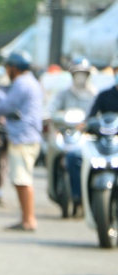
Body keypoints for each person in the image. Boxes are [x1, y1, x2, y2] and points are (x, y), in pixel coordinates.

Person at [0, 51, 43, 231]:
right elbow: (8, 102)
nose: (7, 71)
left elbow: (6, 106)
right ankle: (26, 218)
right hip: (26, 136)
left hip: (23, 137)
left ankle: (29, 220)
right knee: (21, 179)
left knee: (22, 179)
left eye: (8, 68)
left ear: (14, 68)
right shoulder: (28, 81)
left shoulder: (22, 83)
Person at [54, 57, 98, 215]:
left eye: (83, 74)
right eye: (77, 74)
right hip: (67, 135)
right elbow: (53, 109)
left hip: (87, 137)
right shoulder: (64, 94)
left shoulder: (95, 95)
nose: (80, 77)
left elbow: (98, 116)